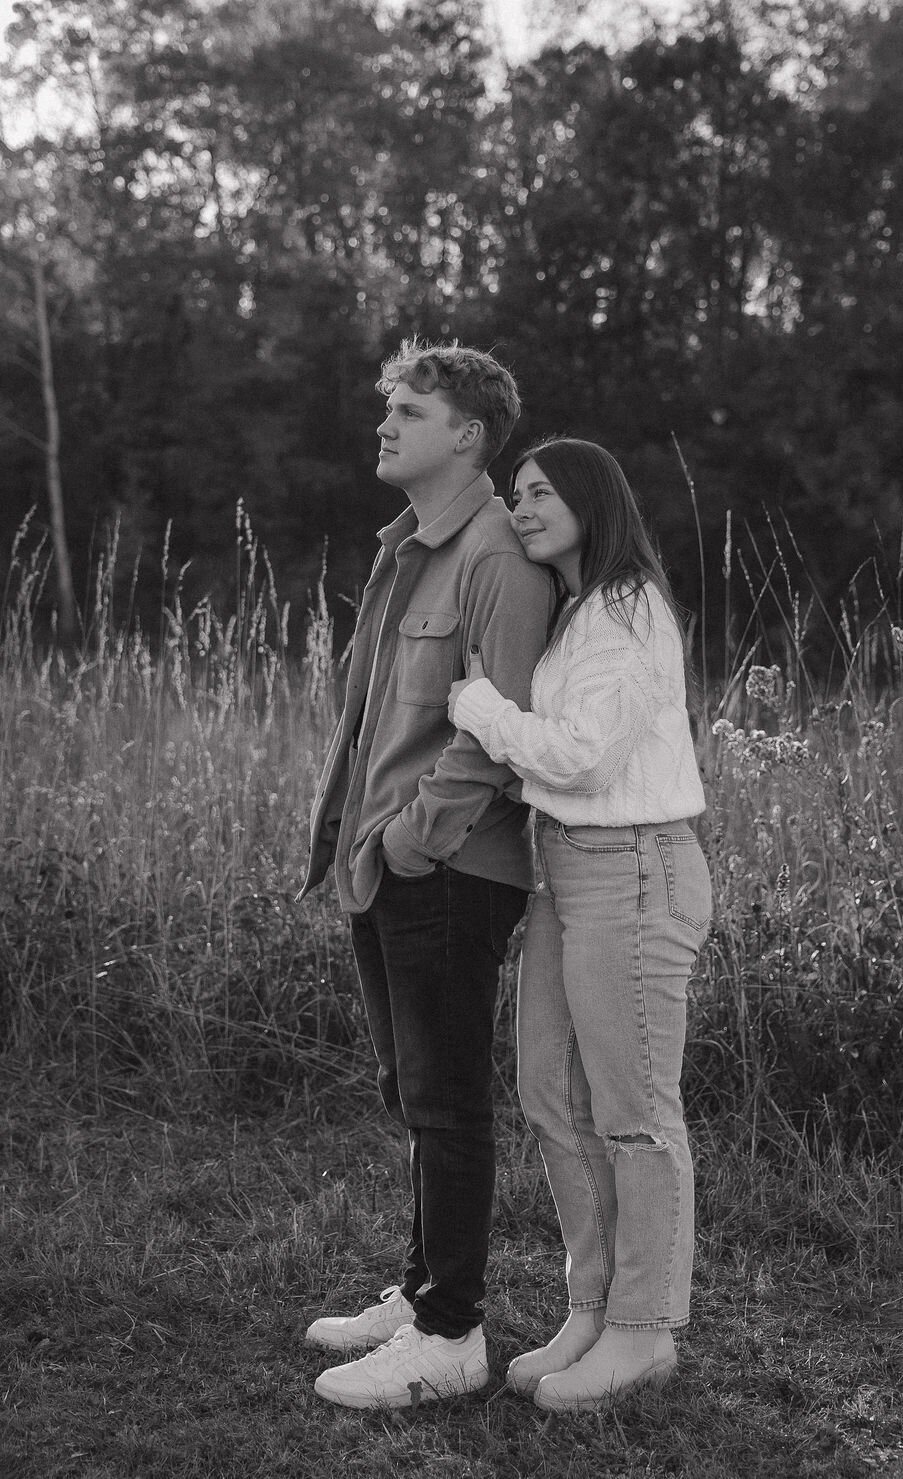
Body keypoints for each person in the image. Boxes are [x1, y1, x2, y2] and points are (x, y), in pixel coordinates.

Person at [297, 341, 551, 1410]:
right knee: (411, 1089)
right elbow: (374, 724)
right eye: (386, 408)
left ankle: (451, 1332)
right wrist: (359, 843)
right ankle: (420, 1289)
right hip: (387, 864)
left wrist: (411, 840)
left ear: (468, 434)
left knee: (446, 1101)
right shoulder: (408, 547)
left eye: (409, 410)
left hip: (446, 870)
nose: (385, 424)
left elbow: (500, 729)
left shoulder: (497, 556)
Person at [448, 438, 711, 1412]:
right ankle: (592, 1306)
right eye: (515, 493)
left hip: (634, 871)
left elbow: (587, 757)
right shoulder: (574, 616)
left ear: (594, 499)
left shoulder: (626, 609)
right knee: (547, 1093)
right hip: (566, 873)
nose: (521, 505)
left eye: (542, 490)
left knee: (634, 1113)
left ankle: (645, 1328)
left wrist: (478, 705)